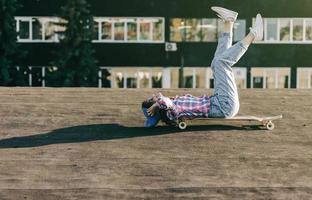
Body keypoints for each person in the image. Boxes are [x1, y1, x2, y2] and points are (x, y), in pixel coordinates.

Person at [142, 6, 264, 127]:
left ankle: (229, 22)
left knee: (216, 63)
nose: (154, 95)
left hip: (219, 101)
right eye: (151, 99)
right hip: (224, 106)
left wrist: (157, 103)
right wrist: (157, 105)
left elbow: (165, 101)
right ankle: (253, 35)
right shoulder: (171, 113)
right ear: (154, 108)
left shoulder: (172, 103)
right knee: (221, 63)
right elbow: (165, 103)